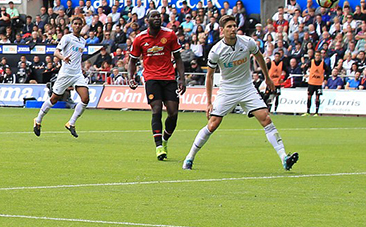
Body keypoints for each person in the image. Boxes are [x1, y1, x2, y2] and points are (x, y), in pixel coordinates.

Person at [182, 15, 299, 171]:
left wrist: (267, 78)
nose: (233, 29)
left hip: (246, 87)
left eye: (234, 25)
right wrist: (209, 102)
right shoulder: (216, 51)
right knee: (213, 124)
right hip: (227, 89)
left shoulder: (247, 42)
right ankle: (190, 157)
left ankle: (284, 157)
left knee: (266, 118)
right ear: (222, 30)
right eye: (229, 26)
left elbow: (259, 57)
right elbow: (209, 76)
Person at [128, 9, 186, 160]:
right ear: (147, 20)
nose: (157, 18)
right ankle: (159, 146)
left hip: (169, 78)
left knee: (173, 113)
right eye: (153, 16)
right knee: (157, 109)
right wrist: (131, 77)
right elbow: (132, 60)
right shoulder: (140, 38)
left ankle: (165, 140)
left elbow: (178, 58)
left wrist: (182, 79)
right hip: (151, 78)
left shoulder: (170, 35)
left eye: (158, 16)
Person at [34, 16, 90, 138]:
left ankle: (71, 123)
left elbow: (77, 57)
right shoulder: (67, 38)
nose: (77, 25)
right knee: (54, 99)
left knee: (85, 98)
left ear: (82, 26)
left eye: (79, 24)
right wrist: (63, 58)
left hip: (77, 74)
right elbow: (56, 51)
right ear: (71, 25)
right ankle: (38, 120)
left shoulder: (82, 41)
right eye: (75, 23)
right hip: (65, 73)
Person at [305, 50, 329, 116]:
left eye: (318, 55)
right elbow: (305, 67)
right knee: (309, 96)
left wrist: (326, 78)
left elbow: (328, 71)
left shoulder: (322, 63)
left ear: (320, 56)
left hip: (318, 83)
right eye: (316, 55)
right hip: (311, 82)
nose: (317, 57)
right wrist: (305, 73)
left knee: (317, 97)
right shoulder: (311, 62)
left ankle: (316, 112)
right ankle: (308, 111)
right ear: (314, 56)